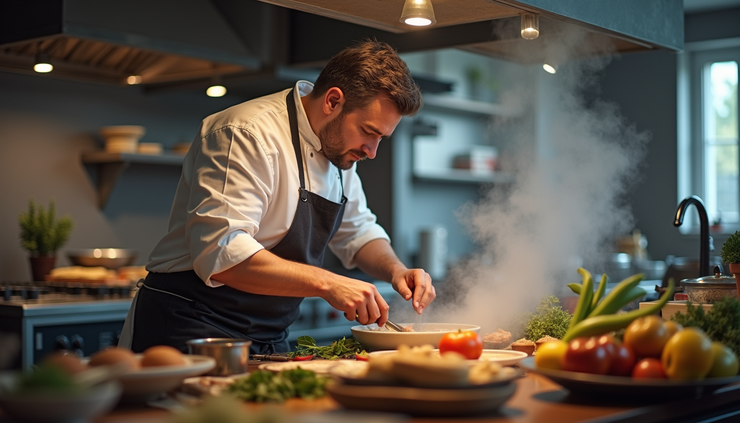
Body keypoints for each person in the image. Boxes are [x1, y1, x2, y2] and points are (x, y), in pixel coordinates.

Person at [120, 40, 436, 354]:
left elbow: (357, 232)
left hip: (268, 336)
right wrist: (329, 284)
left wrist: (396, 270)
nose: (372, 151)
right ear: (333, 101)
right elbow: (222, 254)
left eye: (381, 137)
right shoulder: (246, 133)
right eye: (369, 131)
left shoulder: (340, 151)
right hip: (190, 329)